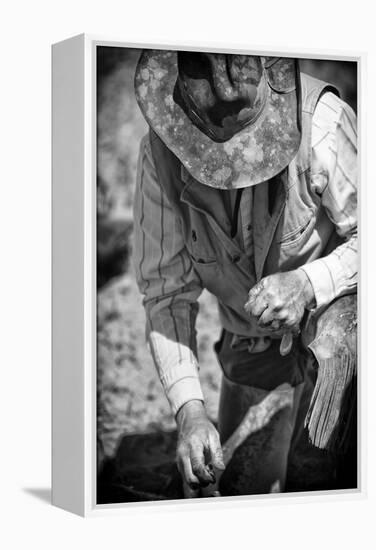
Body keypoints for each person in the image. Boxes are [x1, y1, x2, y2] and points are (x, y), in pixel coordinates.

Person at [132, 51, 357, 496]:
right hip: (252, 338)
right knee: (241, 491)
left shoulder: (323, 123)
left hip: (341, 325)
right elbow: (166, 293)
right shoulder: (159, 157)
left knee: (323, 478)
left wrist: (307, 283)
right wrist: (190, 413)